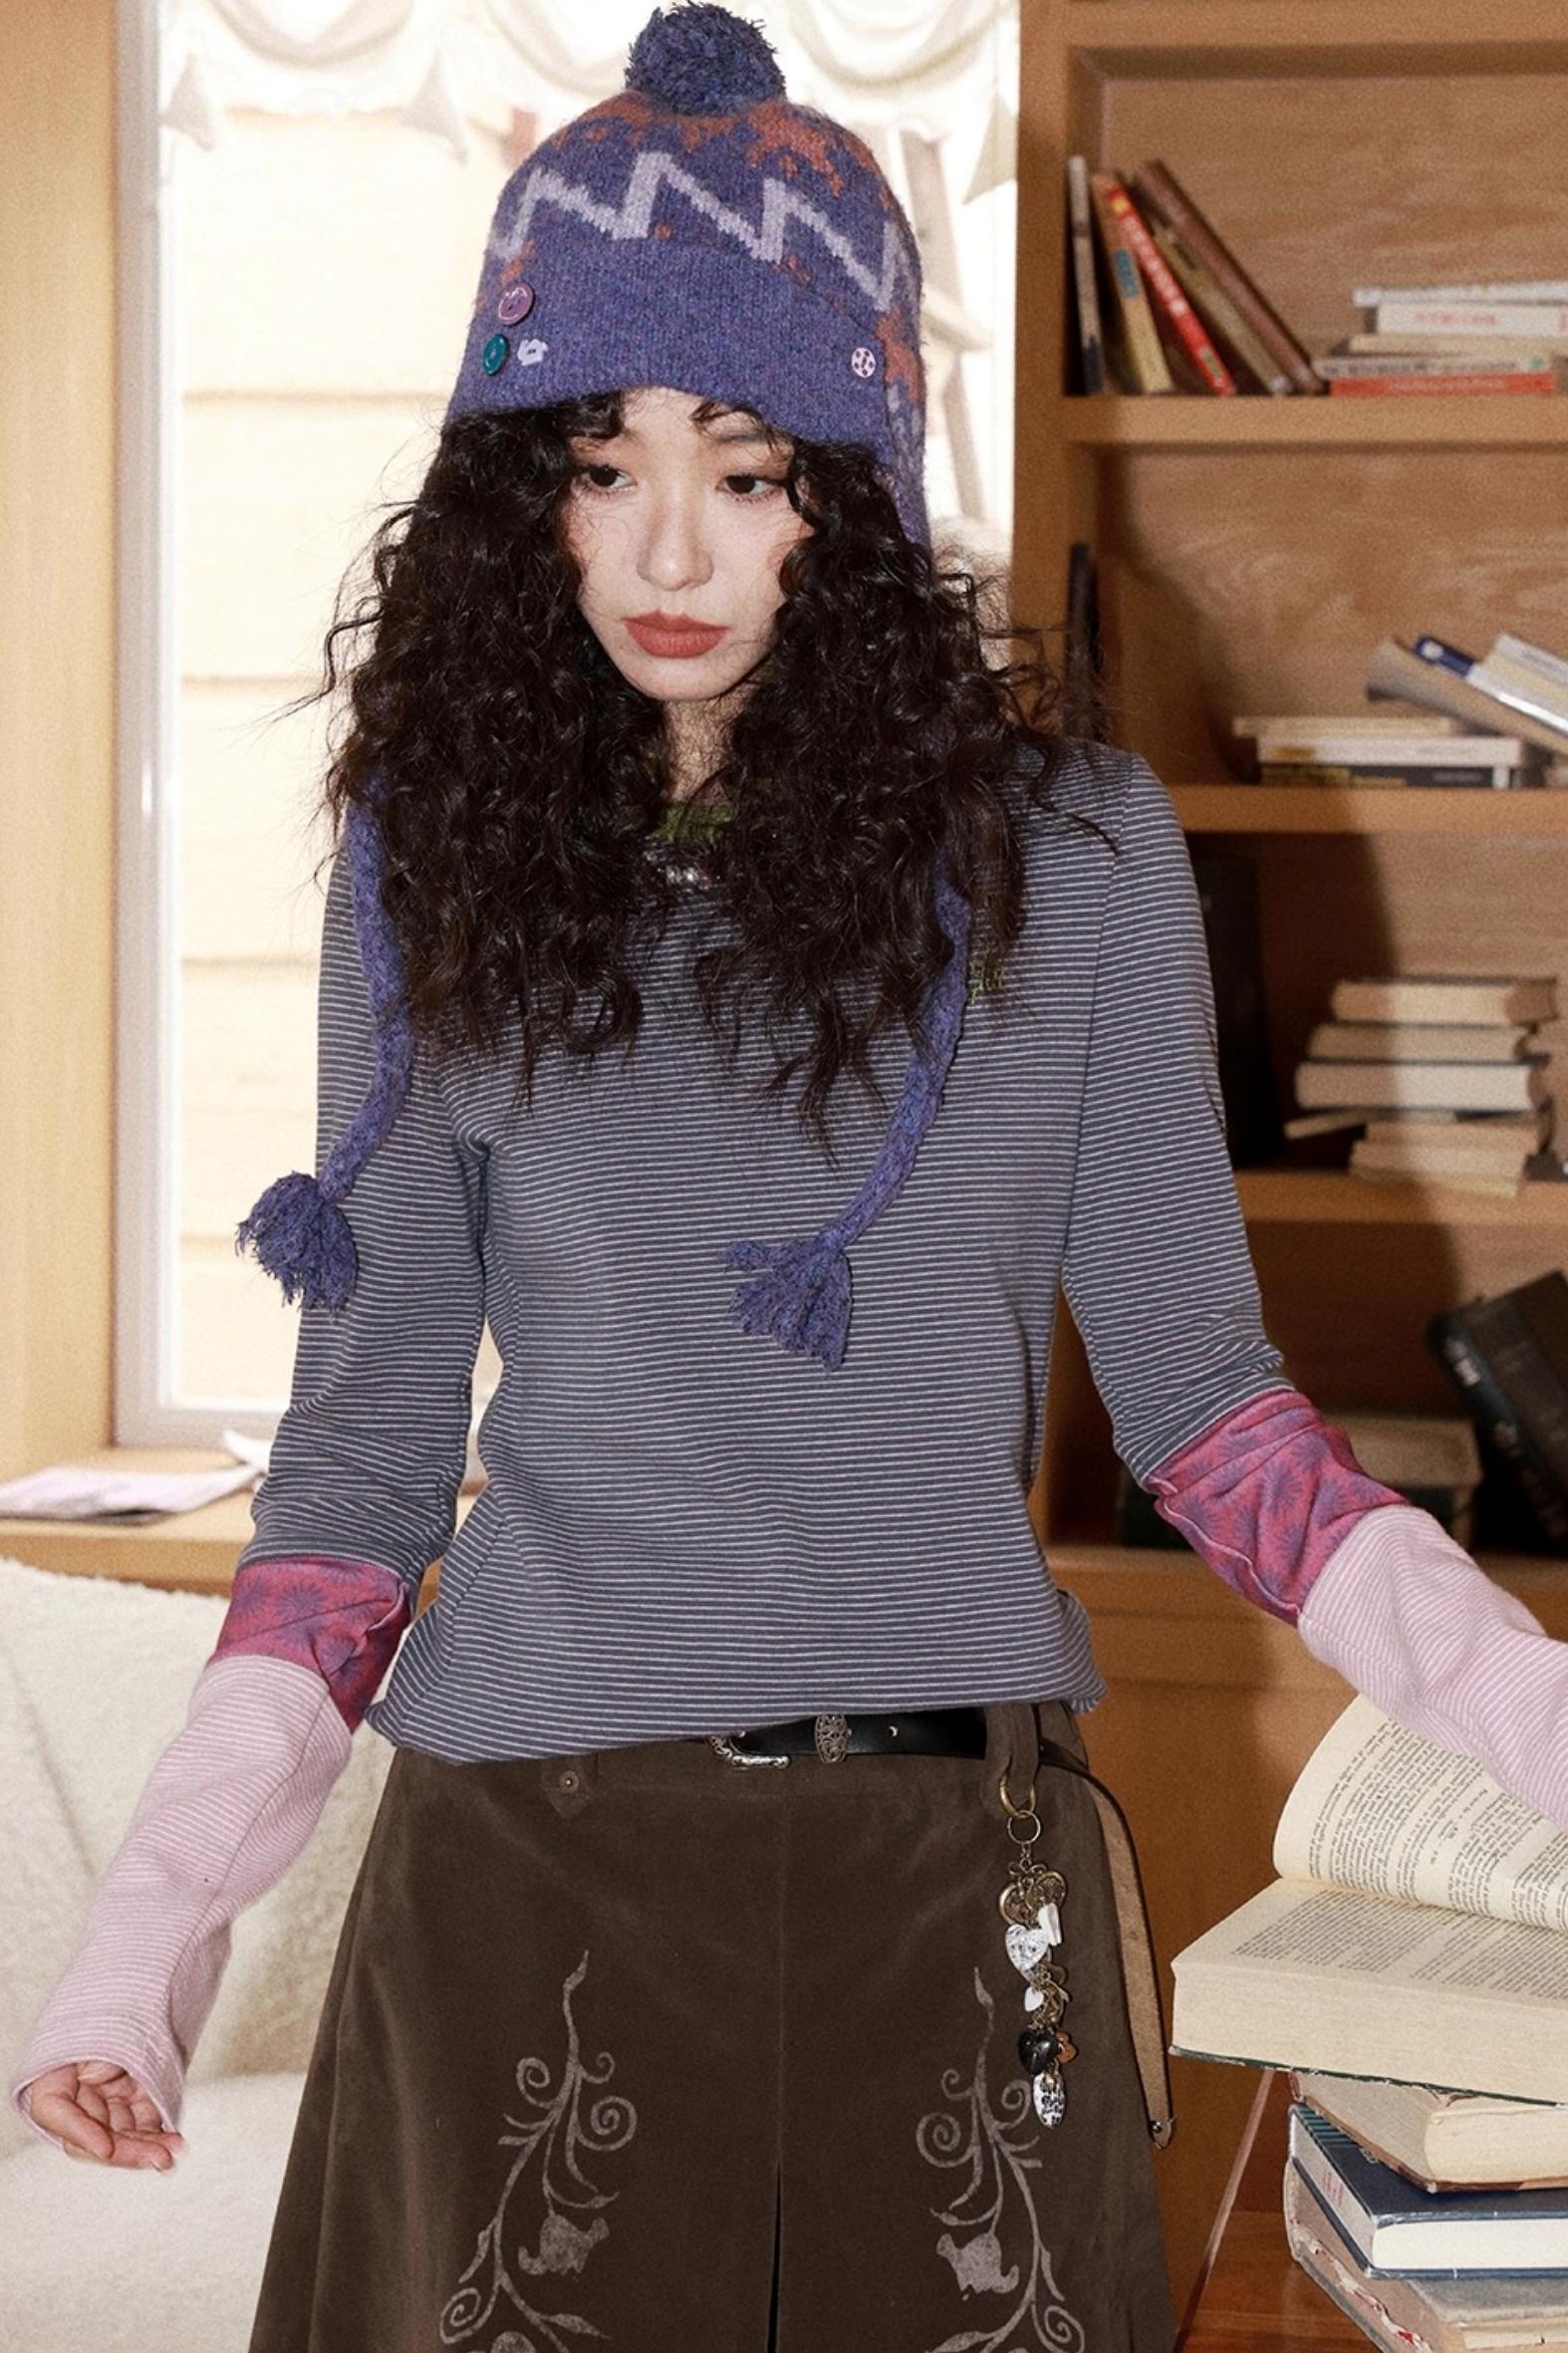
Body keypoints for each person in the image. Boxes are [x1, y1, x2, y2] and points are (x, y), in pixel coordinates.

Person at [11, 6, 1568, 2347]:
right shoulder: (430, 869)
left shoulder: (1073, 857)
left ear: (849, 477)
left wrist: (1540, 1726)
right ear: (515, 490)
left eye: (742, 469)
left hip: (949, 1879)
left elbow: (1211, 1419)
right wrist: (137, 1952)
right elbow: (355, 1478)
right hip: (523, 1880)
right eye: (599, 461)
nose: (667, 545)